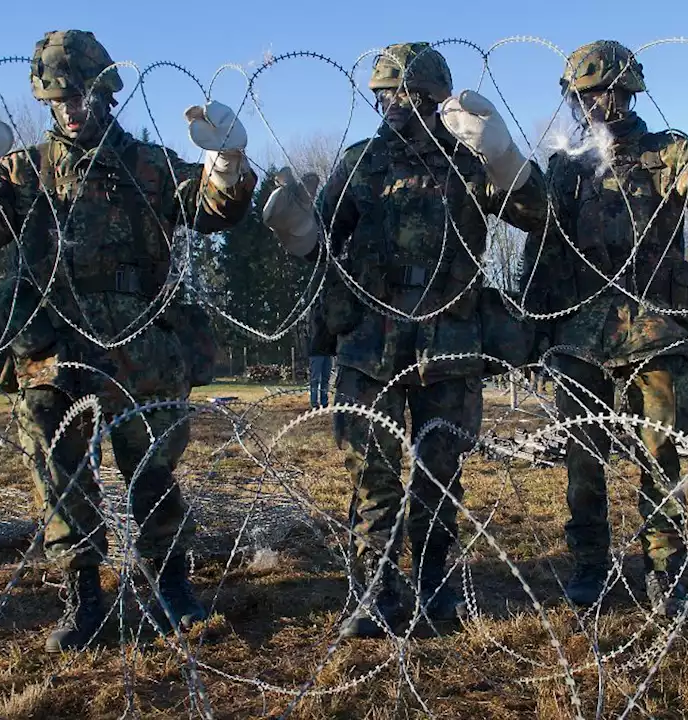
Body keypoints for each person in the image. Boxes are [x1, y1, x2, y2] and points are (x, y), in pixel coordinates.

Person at [0, 30, 256, 651]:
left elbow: (213, 209)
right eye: (58, 100)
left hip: (137, 339)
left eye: (80, 95)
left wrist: (227, 166)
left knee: (151, 465)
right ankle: (81, 593)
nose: (71, 109)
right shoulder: (26, 169)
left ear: (105, 91)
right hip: (51, 338)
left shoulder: (147, 166)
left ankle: (171, 583)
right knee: (56, 465)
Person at [263, 42, 547, 638]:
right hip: (372, 344)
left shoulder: (467, 164)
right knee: (373, 474)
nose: (394, 106)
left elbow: (534, 213)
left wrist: (504, 159)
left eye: (406, 95)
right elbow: (325, 246)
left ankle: (436, 588)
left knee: (441, 471)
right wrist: (296, 234)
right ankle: (375, 590)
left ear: (434, 98)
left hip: (450, 339)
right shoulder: (359, 163)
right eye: (384, 96)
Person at [521, 40, 688, 615]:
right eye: (584, 96)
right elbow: (543, 250)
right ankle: (589, 562)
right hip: (581, 334)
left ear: (628, 93)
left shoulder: (667, 153)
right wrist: (532, 325)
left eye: (606, 92)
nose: (595, 105)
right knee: (583, 456)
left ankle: (664, 563)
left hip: (652, 330)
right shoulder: (566, 168)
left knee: (661, 451)